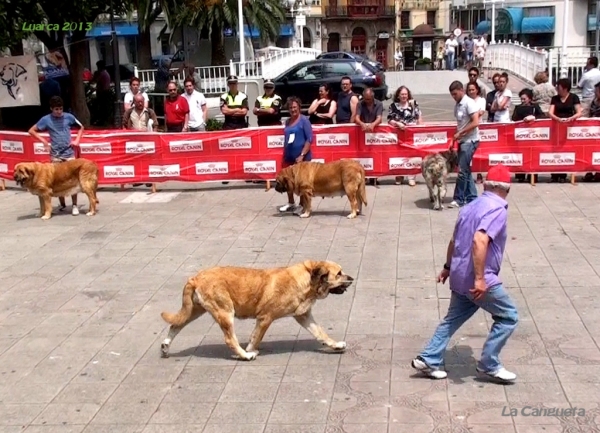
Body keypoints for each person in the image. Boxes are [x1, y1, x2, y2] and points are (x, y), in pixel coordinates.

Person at [411, 164, 518, 383]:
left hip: (459, 274)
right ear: (507, 188)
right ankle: (490, 363)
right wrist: (480, 279)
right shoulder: (497, 209)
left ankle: (428, 358)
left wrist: (448, 267)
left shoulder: (470, 206)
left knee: (452, 319)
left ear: (485, 184)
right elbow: (480, 239)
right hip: (479, 278)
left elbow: (454, 240)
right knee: (508, 316)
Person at [28, 96, 84, 216]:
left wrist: (77, 140)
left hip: (69, 153)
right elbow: (31, 130)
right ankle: (62, 204)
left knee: (73, 180)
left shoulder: (69, 117)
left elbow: (81, 127)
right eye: (56, 109)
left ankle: (74, 205)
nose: (59, 112)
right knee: (56, 180)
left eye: (61, 109)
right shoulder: (46, 120)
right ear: (51, 109)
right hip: (56, 154)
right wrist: (43, 141)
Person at [448, 81, 480, 208]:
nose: (454, 97)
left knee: (462, 170)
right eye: (452, 95)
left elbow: (475, 122)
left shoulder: (469, 103)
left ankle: (459, 198)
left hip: (470, 140)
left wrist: (460, 133)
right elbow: (460, 124)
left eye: (455, 94)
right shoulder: (458, 105)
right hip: (462, 140)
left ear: (461, 90)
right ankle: (472, 197)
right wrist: (454, 139)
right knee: (465, 170)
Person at [278, 97, 313, 213]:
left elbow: (309, 139)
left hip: (302, 158)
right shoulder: (287, 121)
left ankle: (302, 205)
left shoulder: (304, 120)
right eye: (291, 107)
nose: (293, 109)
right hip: (289, 156)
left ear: (299, 108)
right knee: (288, 182)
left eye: (295, 107)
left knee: (302, 183)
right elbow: (287, 139)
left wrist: (302, 155)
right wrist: (284, 154)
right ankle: (291, 202)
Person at [548, 78, 583, 183]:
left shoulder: (574, 97)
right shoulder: (555, 98)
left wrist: (572, 118)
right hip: (557, 125)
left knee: (567, 149)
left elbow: (579, 112)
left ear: (565, 88)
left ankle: (563, 174)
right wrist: (557, 119)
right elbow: (550, 112)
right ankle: (554, 174)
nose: (557, 89)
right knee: (555, 149)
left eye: (558, 87)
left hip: (569, 126)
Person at [388, 85, 423, 186]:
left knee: (412, 155)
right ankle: (399, 176)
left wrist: (420, 128)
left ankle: (411, 177)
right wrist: (397, 123)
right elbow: (390, 120)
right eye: (402, 94)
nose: (404, 96)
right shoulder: (393, 106)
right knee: (398, 155)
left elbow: (419, 117)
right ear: (398, 95)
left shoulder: (413, 104)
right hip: (398, 134)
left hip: (411, 134)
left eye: (405, 94)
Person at [511, 88, 545, 183]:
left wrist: (534, 117)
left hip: (534, 135)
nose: (522, 101)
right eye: (521, 99)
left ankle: (533, 175)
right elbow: (513, 119)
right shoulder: (518, 108)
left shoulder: (535, 107)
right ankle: (520, 175)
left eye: (524, 99)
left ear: (529, 99)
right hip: (521, 136)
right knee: (521, 155)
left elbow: (543, 116)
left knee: (533, 155)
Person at [585, 82, 600, 181]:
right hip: (593, 131)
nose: (595, 92)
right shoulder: (593, 101)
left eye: (597, 91)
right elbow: (588, 113)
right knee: (590, 151)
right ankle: (589, 171)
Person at [91, 60, 112, 125]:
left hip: (103, 93)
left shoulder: (102, 74)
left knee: (102, 108)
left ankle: (102, 121)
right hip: (104, 92)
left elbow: (96, 81)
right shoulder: (105, 73)